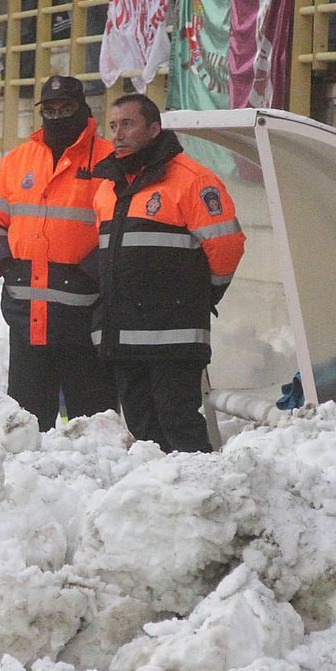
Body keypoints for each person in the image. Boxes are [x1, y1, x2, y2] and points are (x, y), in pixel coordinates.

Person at [91, 94, 246, 453]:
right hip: (125, 336)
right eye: (113, 126)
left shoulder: (193, 180)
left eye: (128, 124)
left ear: (155, 128)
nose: (117, 134)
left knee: (178, 420)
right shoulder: (107, 187)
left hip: (173, 336)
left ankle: (199, 493)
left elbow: (227, 247)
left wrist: (200, 294)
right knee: (143, 426)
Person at [0, 75, 117, 432]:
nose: (57, 116)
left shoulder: (108, 160)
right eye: (50, 109)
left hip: (84, 316)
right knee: (26, 426)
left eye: (66, 108)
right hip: (25, 315)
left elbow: (120, 228)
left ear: (83, 109)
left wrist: (94, 271)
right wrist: (4, 261)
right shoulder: (18, 160)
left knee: (90, 424)